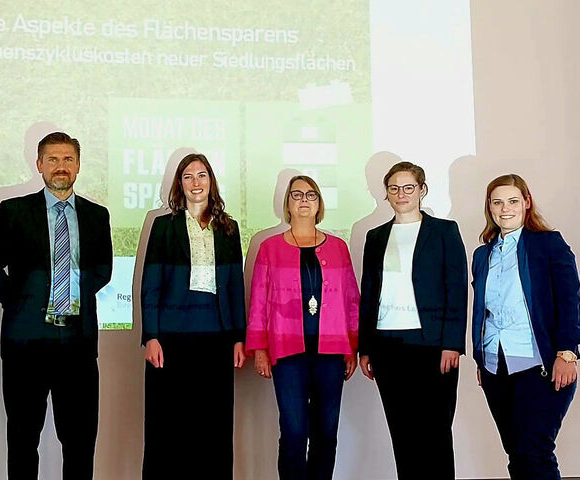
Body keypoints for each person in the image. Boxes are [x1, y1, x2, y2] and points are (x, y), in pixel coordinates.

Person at [0, 132, 112, 480]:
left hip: (78, 346)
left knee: (79, 443)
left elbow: (103, 269)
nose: (61, 167)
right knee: (23, 440)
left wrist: (70, 293)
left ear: (78, 165)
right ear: (40, 165)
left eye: (68, 159)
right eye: (53, 160)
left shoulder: (96, 214)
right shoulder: (14, 211)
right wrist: (19, 299)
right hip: (24, 345)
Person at [246, 175, 360, 480]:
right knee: (294, 432)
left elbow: (351, 299)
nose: (304, 200)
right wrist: (258, 348)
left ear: (320, 203)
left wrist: (352, 347)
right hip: (287, 352)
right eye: (297, 195)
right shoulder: (269, 248)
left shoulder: (338, 247)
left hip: (331, 352)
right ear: (287, 204)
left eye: (311, 195)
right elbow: (258, 301)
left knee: (326, 431)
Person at [358, 161, 467, 479]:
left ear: (422, 190)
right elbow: (369, 292)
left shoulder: (445, 231)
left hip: (432, 345)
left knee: (435, 433)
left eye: (408, 187)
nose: (401, 194)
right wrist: (365, 348)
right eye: (394, 188)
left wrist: (452, 344)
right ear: (386, 195)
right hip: (387, 346)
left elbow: (456, 290)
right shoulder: (375, 236)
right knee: (402, 434)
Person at [141, 153, 246, 480]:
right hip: (171, 340)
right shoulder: (164, 226)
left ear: (211, 182)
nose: (196, 182)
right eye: (188, 176)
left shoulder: (229, 228)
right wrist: (151, 336)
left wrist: (239, 337)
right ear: (179, 184)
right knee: (166, 427)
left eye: (202, 175)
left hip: (216, 339)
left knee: (213, 428)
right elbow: (151, 285)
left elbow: (234, 288)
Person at [471, 174, 579, 480]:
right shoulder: (483, 255)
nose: (505, 208)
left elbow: (571, 300)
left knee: (535, 451)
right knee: (516, 452)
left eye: (513, 201)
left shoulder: (548, 244)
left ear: (527, 203)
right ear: (489, 208)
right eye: (497, 202)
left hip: (539, 363)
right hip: (496, 366)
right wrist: (482, 358)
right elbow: (484, 313)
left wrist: (568, 352)